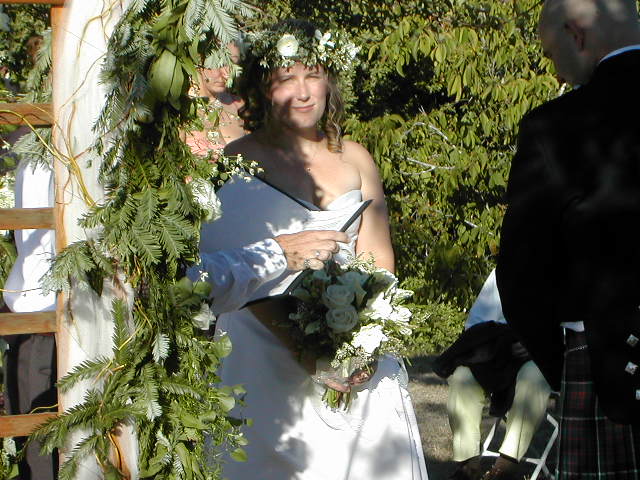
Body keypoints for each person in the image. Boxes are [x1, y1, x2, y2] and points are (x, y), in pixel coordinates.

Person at [192, 19, 428, 480]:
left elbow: (379, 258)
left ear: (329, 82)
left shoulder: (356, 158)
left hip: (353, 345)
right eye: (286, 78)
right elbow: (235, 265)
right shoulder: (236, 161)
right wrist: (310, 354)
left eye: (313, 76)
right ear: (264, 88)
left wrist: (367, 338)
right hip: (262, 349)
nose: (302, 93)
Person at [495, 0, 640, 478]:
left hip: (608, 365)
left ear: (577, 34)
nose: (555, 70)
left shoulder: (555, 127)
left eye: (552, 52)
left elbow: (521, 274)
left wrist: (568, 363)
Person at [435, 270, 551, 480]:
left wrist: (538, 344)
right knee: (462, 377)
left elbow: (573, 327)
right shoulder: (505, 269)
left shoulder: (567, 269)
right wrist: (503, 343)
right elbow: (476, 324)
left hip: (542, 357)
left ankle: (507, 464)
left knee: (533, 378)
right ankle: (468, 464)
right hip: (498, 354)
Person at [184, 41, 245, 156]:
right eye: (220, 64)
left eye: (232, 64)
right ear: (199, 60)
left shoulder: (239, 105)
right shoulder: (180, 110)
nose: (226, 74)